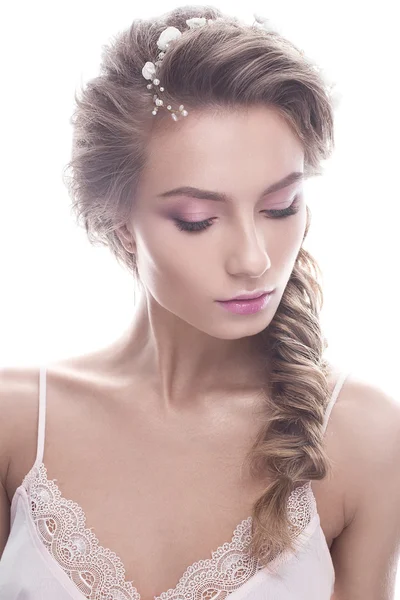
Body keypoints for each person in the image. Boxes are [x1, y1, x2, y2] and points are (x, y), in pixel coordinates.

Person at [0, 5, 399, 600]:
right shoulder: (16, 422)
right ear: (119, 221)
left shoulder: (363, 438)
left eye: (280, 207)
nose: (253, 258)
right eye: (198, 219)